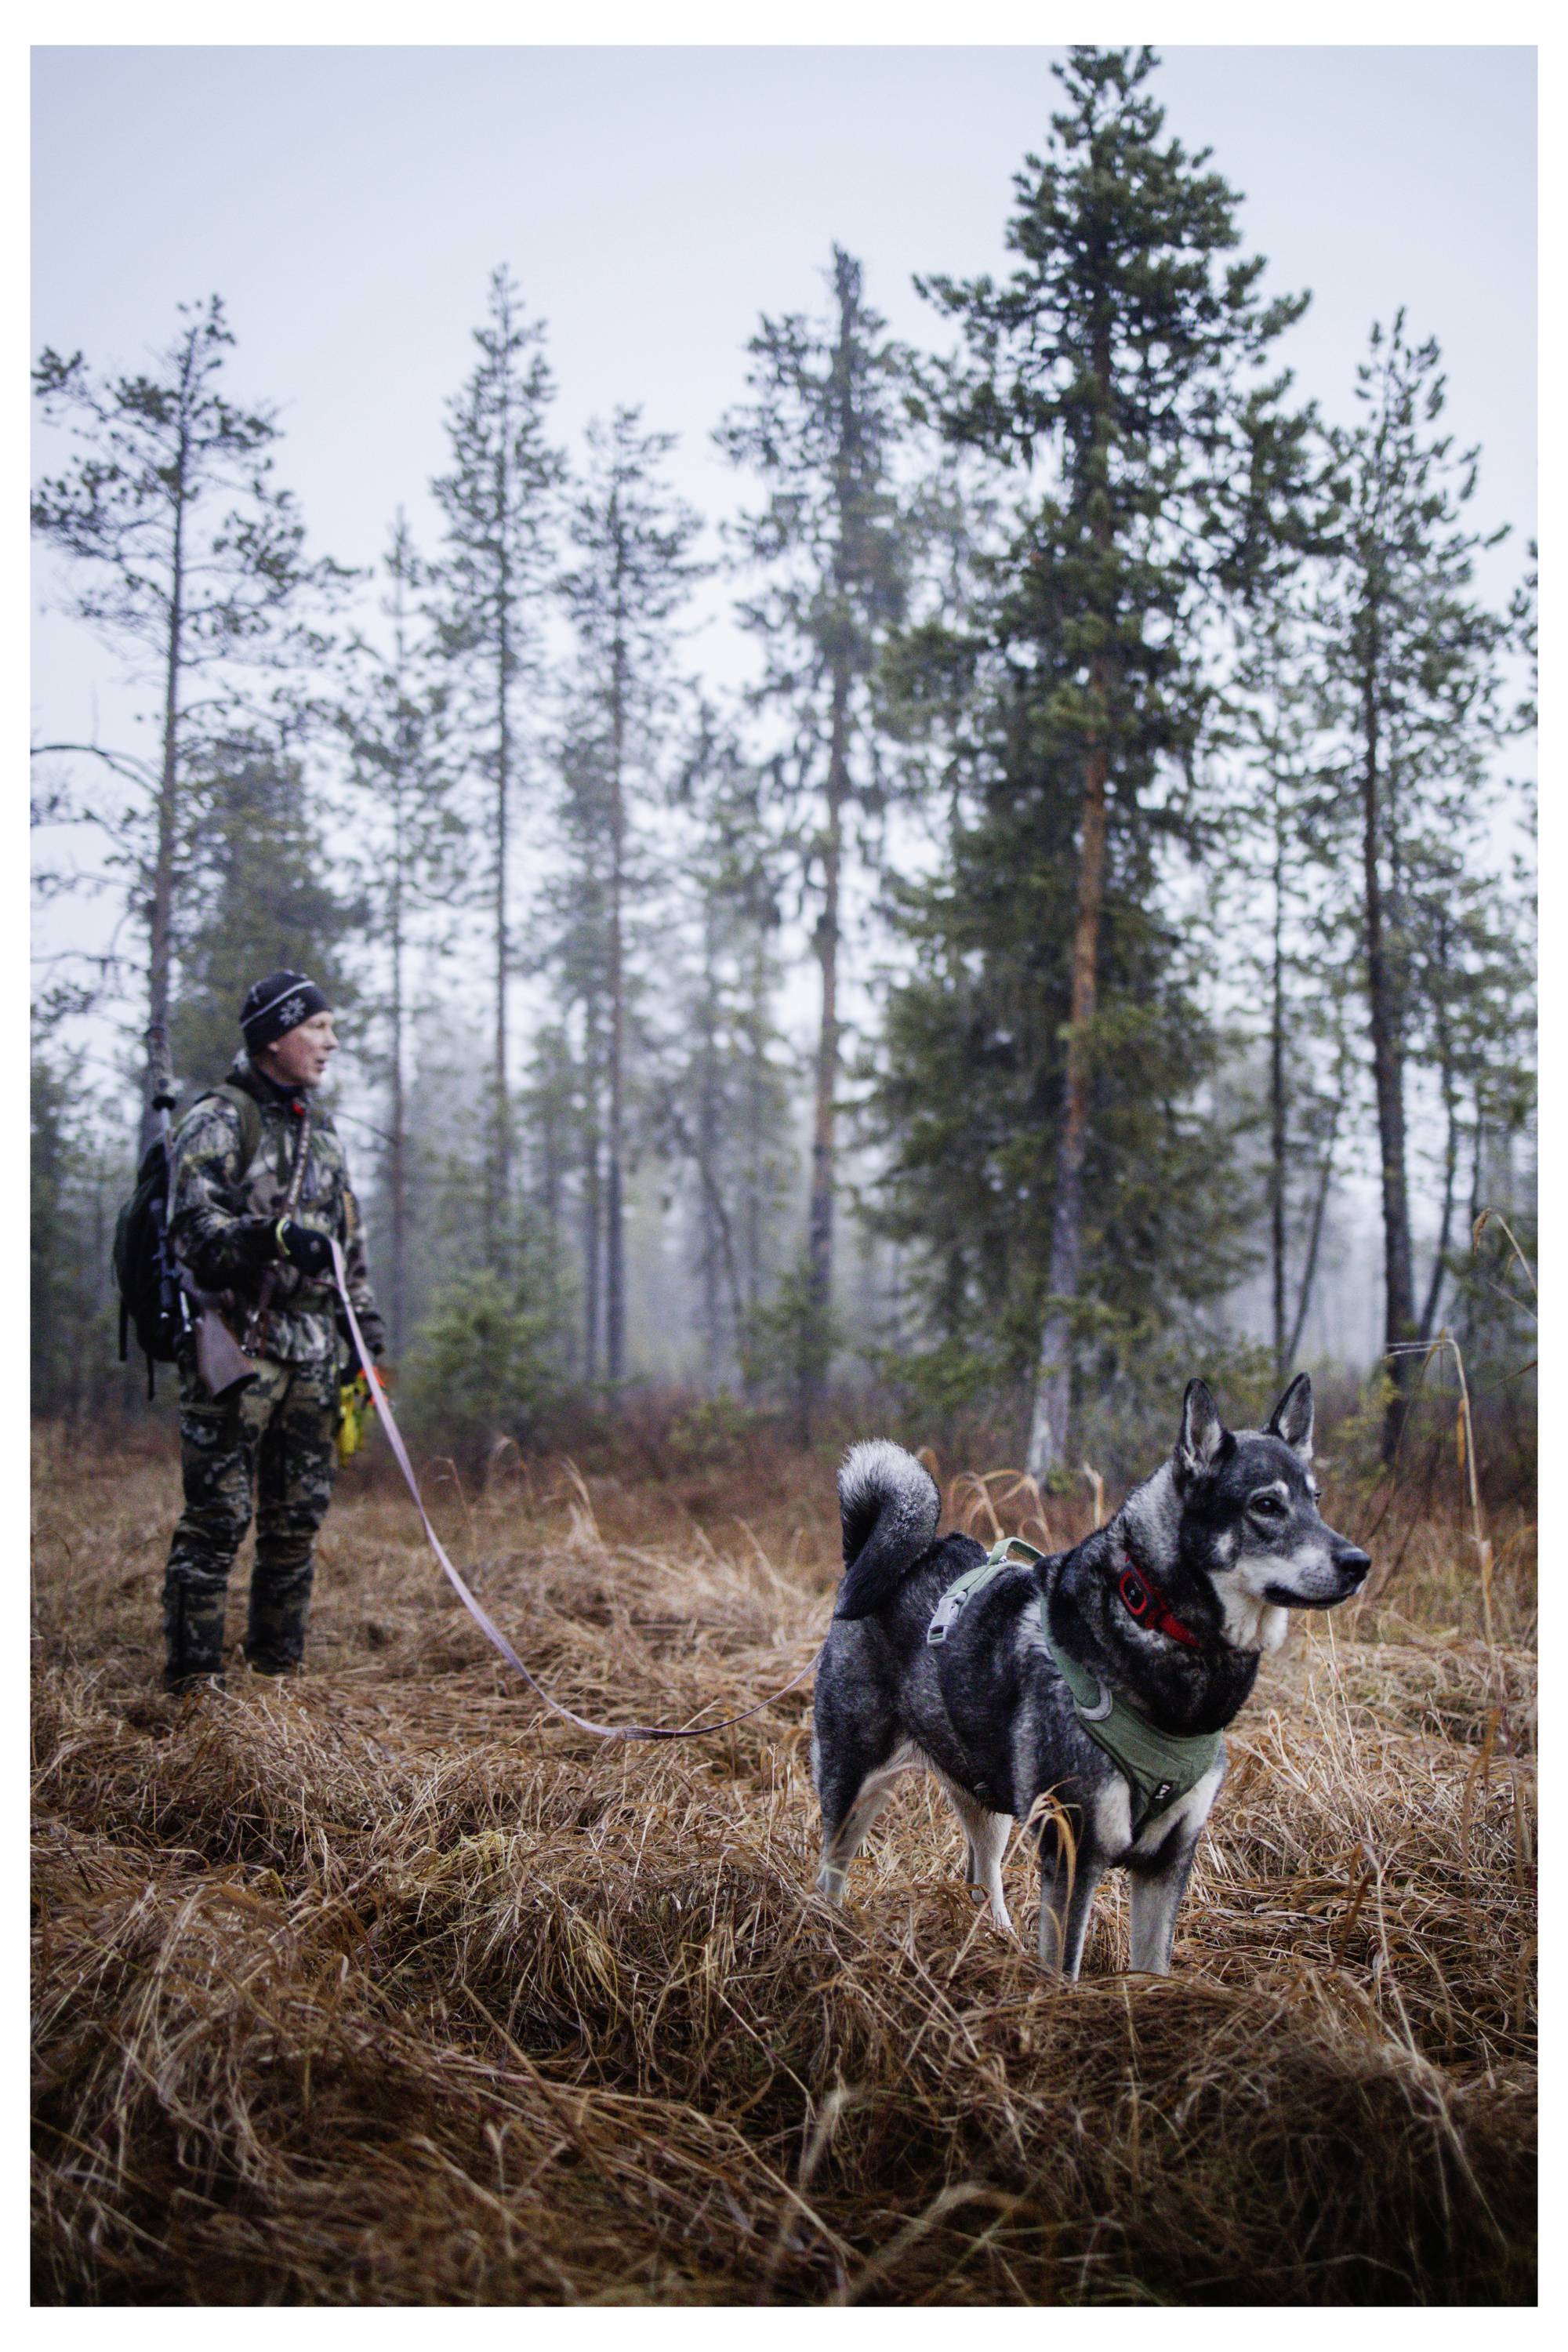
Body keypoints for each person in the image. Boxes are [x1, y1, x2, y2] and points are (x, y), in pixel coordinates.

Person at [160, 971, 385, 1690]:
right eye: (318, 1027)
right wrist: (275, 1237)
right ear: (276, 1037)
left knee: (296, 1528)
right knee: (217, 1522)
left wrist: (365, 1342)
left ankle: (276, 1682)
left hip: (317, 1359)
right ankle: (194, 1688)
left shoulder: (323, 1133)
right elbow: (193, 1236)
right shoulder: (220, 1121)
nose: (332, 1041)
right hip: (237, 1351)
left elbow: (350, 1248)